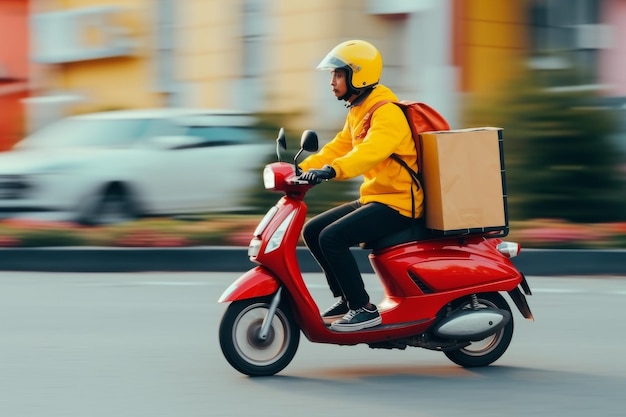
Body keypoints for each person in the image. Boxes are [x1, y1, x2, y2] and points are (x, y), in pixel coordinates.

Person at [298, 40, 424, 332]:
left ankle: (363, 307)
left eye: (338, 75)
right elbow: (338, 147)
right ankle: (344, 298)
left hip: (400, 203)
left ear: (358, 75)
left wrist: (332, 171)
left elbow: (369, 152)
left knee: (332, 238)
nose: (332, 82)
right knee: (313, 230)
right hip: (378, 197)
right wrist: (298, 169)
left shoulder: (386, 112)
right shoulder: (358, 109)